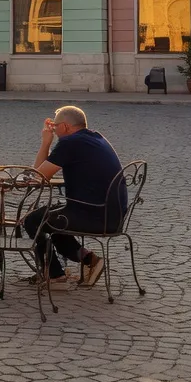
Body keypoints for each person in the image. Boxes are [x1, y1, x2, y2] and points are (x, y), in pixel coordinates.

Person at [23, 106, 124, 290]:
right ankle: (88, 259)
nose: (53, 130)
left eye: (55, 127)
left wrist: (46, 142)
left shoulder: (70, 143)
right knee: (51, 217)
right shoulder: (96, 137)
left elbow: (38, 175)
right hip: (112, 214)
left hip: (92, 214)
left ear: (65, 127)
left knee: (32, 220)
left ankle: (54, 274)